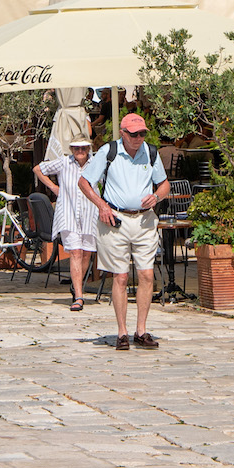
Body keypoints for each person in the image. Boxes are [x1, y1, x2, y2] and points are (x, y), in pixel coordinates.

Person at [77, 113, 170, 351]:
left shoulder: (150, 152)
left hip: (144, 221)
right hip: (115, 220)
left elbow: (165, 184)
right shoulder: (108, 152)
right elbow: (85, 182)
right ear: (122, 133)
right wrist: (101, 205)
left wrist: (157, 196)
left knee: (147, 275)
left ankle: (141, 330)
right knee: (120, 276)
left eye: (142, 134)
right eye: (133, 134)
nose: (138, 138)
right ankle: (122, 332)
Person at [36, 134, 99, 311]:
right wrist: (54, 187)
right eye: (77, 148)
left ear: (89, 148)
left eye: (84, 148)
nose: (80, 151)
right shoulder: (64, 162)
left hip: (89, 213)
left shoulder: (95, 163)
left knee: (86, 253)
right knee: (76, 252)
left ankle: (75, 283)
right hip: (68, 212)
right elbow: (38, 169)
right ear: (71, 149)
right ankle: (79, 296)